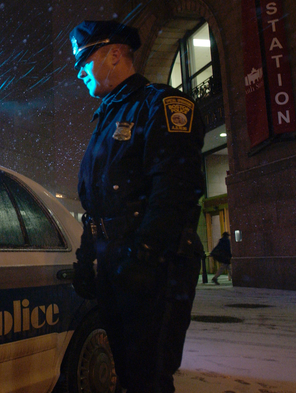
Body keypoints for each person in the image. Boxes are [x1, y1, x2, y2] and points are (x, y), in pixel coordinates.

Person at [69, 20, 206, 393]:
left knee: (149, 377)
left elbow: (175, 189)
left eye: (84, 59)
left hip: (156, 262)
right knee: (127, 372)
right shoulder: (107, 116)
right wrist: (87, 255)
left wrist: (145, 254)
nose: (78, 71)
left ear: (115, 53)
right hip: (115, 258)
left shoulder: (160, 105)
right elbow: (96, 199)